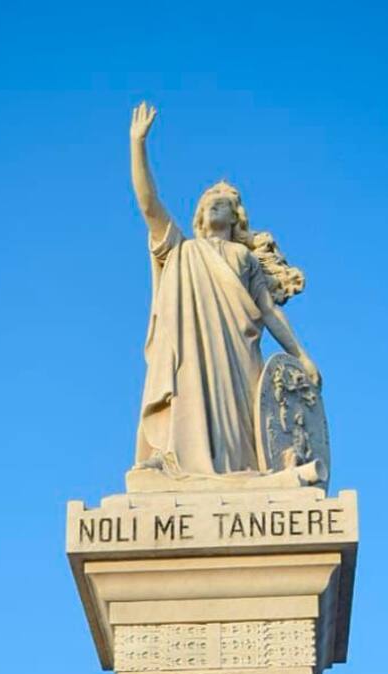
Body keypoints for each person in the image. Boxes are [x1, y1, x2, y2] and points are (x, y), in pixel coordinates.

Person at [129, 101, 322, 480]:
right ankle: (174, 459)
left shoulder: (243, 258)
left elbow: (269, 311)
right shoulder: (182, 250)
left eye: (227, 202)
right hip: (191, 353)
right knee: (188, 403)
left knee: (240, 435)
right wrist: (138, 145)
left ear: (236, 218)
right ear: (199, 215)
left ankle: (240, 469)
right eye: (210, 200)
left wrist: (302, 355)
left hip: (237, 354)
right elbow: (149, 206)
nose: (217, 202)